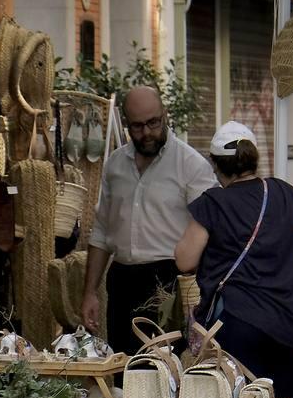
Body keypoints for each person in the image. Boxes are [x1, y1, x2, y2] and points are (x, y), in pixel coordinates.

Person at [174, 121, 293, 398]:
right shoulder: (283, 192)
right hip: (291, 327)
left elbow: (184, 260)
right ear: (254, 158)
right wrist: (289, 261)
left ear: (215, 164)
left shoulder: (214, 203)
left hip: (239, 325)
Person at [81, 86, 218, 356]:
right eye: (137, 126)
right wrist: (89, 292)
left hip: (167, 281)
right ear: (126, 124)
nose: (147, 133)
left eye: (153, 123)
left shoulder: (190, 165)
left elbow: (212, 228)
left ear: (164, 114)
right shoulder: (115, 165)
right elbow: (101, 233)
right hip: (121, 279)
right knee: (125, 369)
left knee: (162, 372)